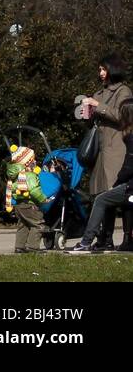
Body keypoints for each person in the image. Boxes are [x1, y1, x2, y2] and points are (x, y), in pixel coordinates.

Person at [78, 56, 133, 250]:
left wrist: (97, 105)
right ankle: (105, 237)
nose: (101, 73)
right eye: (100, 69)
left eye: (104, 69)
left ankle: (127, 238)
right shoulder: (99, 92)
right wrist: (87, 114)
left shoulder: (123, 90)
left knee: (118, 195)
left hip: (116, 149)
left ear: (113, 69)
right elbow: (96, 119)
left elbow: (122, 115)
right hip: (100, 151)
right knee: (101, 194)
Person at [69, 101, 133, 254]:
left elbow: (129, 167)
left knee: (101, 199)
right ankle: (128, 241)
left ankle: (86, 241)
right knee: (128, 204)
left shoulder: (131, 137)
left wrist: (116, 183)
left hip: (131, 186)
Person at [3, 144, 48, 253]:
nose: (35, 161)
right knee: (38, 224)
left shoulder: (14, 175)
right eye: (33, 159)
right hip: (30, 204)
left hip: (19, 205)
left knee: (23, 225)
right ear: (27, 161)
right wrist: (43, 199)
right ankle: (33, 247)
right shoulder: (29, 174)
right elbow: (33, 189)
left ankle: (20, 247)